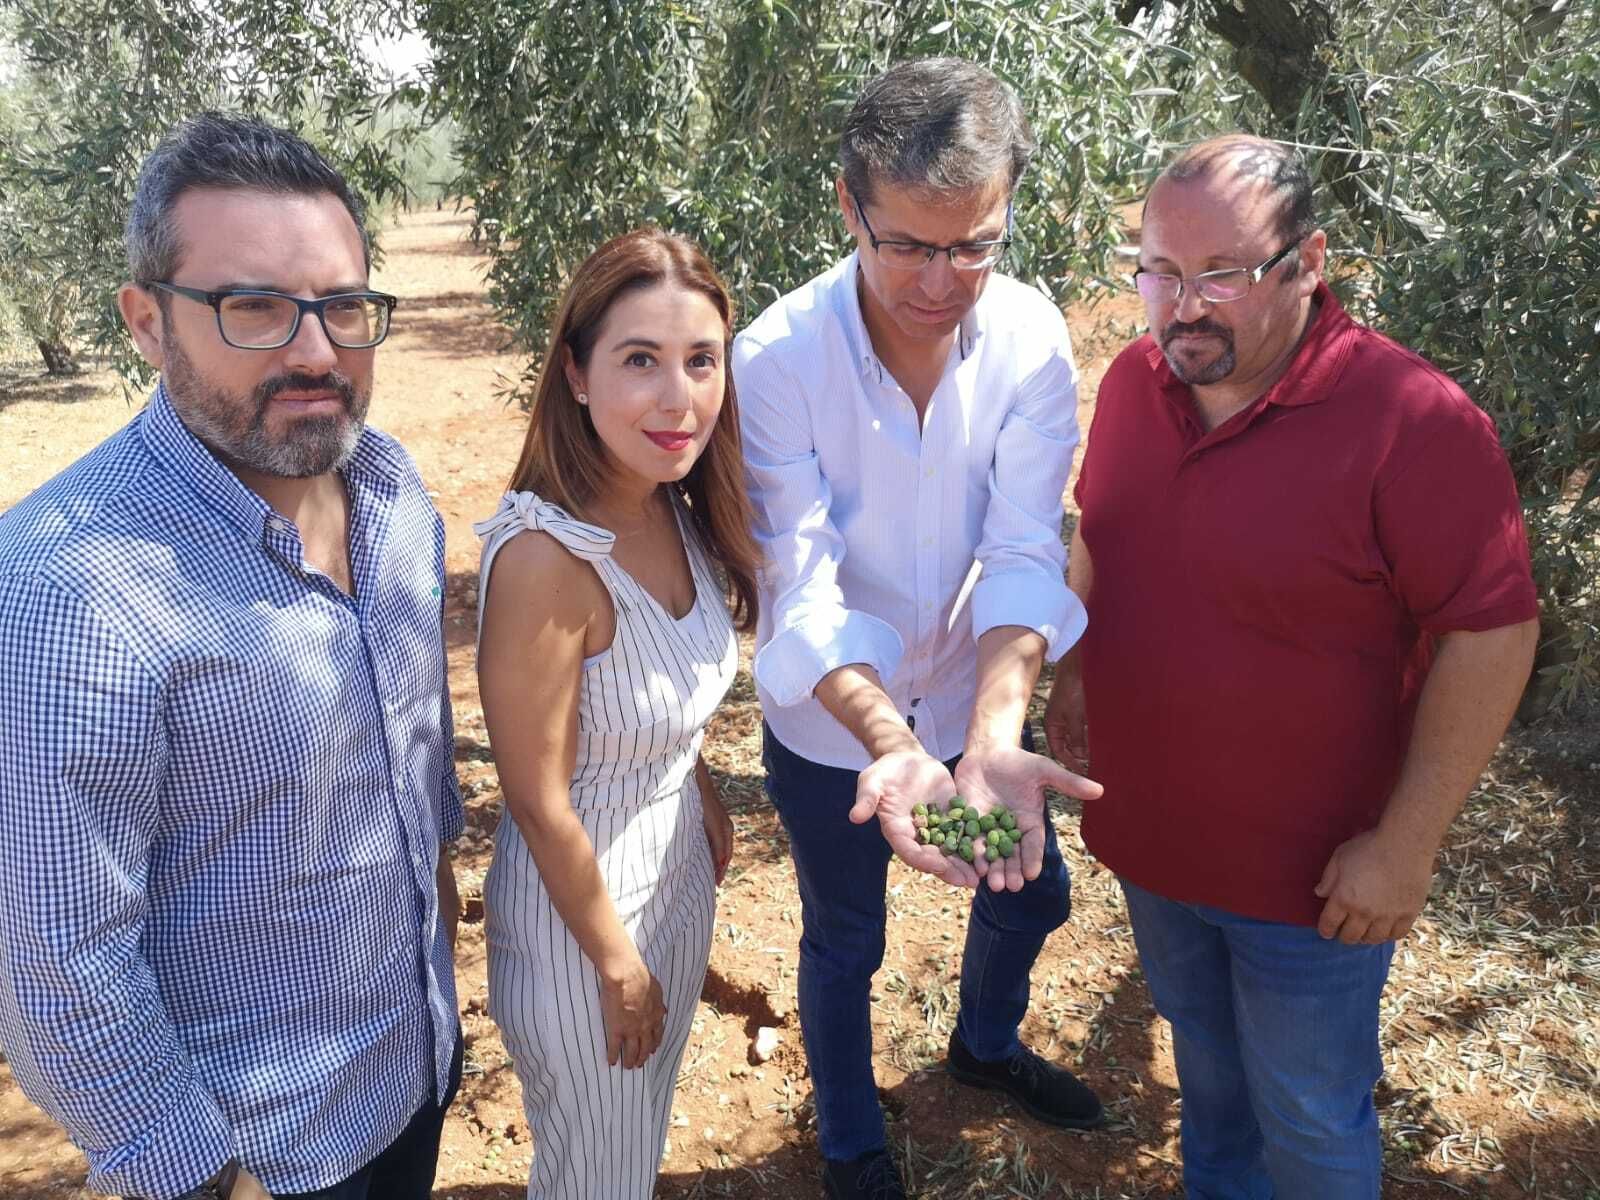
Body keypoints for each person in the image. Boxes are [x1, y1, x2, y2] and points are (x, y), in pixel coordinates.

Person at [1045, 134, 1540, 1199]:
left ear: (1308, 262)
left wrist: (1405, 847)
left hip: (1314, 887)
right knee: (1211, 1093)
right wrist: (1072, 673)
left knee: (1311, 1120)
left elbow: (1492, 630)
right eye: (1157, 271)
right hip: (1155, 846)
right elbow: (1106, 537)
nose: (1181, 307)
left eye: (1220, 273)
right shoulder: (1135, 384)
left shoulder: (1412, 422)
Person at [0, 114, 463, 1200]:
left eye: (343, 305)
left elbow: (418, 778)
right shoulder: (69, 588)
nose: (315, 350)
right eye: (251, 305)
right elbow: (61, 963)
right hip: (264, 1160)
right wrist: (206, 1179)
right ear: (148, 323)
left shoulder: (394, 498)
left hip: (409, 1070)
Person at [734, 57, 1106, 1200]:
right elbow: (799, 586)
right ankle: (848, 1136)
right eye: (907, 245)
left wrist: (989, 735)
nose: (943, 281)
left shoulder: (1033, 338)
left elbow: (1023, 549)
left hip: (965, 714)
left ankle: (981, 1049)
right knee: (847, 942)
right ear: (849, 205)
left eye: (974, 245)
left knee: (1030, 892)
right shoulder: (775, 359)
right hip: (839, 737)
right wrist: (892, 745)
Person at [473, 228, 759, 1199]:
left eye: (700, 361)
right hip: (582, 934)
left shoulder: (671, 502)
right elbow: (538, 799)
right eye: (640, 360)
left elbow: (658, 693)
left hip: (673, 882)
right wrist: (615, 963)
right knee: (592, 1177)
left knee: (627, 1157)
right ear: (577, 375)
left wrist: (702, 783)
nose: (678, 398)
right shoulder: (548, 561)